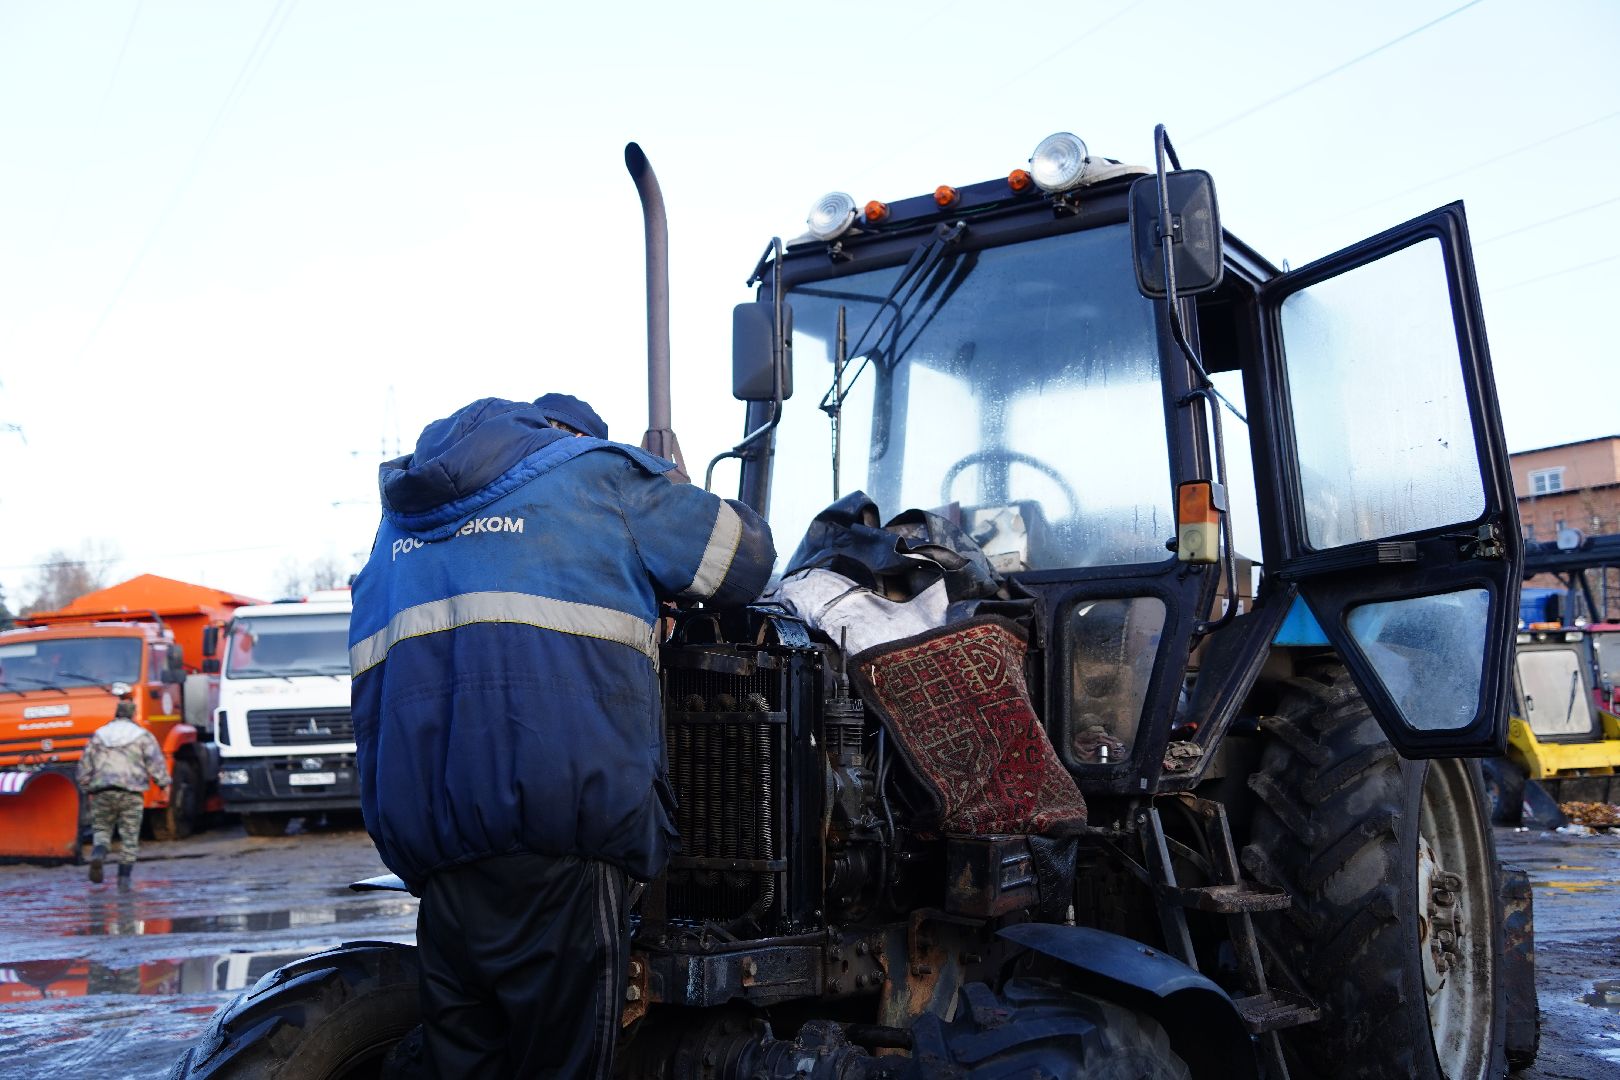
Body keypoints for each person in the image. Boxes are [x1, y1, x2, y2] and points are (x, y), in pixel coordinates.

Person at [349, 393, 774, 1078]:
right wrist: (666, 486)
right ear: (571, 436)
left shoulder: (398, 518)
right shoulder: (597, 474)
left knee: (469, 1062)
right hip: (562, 841)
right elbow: (745, 558)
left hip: (436, 852)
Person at [78, 695, 170, 890]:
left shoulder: (99, 735)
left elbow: (85, 764)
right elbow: (155, 762)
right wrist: (163, 784)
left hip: (102, 791)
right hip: (131, 792)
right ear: (133, 715)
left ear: (116, 714)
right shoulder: (142, 736)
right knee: (129, 837)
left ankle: (99, 852)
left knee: (102, 830)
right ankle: (124, 879)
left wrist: (85, 786)